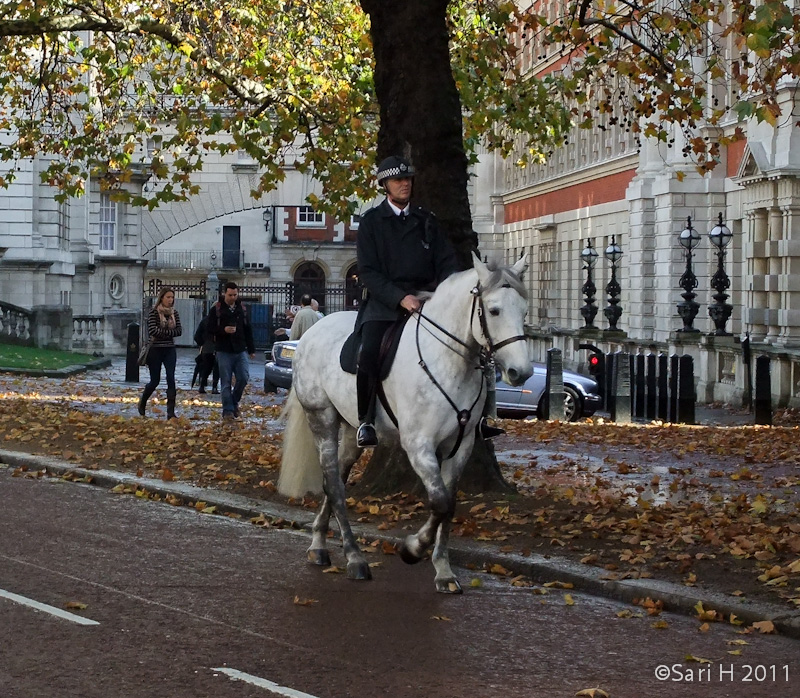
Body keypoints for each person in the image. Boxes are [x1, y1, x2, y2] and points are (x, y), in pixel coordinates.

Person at [354, 155, 458, 447]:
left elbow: (447, 262)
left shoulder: (427, 221)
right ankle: (366, 420)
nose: (405, 184)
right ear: (385, 184)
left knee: (469, 349)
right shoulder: (371, 223)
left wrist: (445, 292)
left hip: (428, 301)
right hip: (385, 304)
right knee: (369, 352)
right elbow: (368, 272)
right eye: (398, 180)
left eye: (408, 179)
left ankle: (476, 418)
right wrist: (401, 298)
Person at [206, 281, 255, 420]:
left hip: (240, 349)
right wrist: (223, 330)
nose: (233, 297)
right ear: (224, 293)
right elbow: (209, 330)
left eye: (235, 295)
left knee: (243, 378)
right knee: (225, 382)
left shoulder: (242, 309)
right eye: (230, 295)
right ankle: (227, 410)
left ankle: (234, 402)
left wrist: (251, 349)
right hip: (224, 350)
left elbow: (248, 329)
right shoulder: (217, 309)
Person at [138, 286, 182, 419]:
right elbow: (153, 330)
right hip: (155, 350)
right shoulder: (153, 313)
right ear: (161, 298)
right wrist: (168, 333)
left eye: (172, 297)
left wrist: (164, 332)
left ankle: (170, 412)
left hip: (169, 349)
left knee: (170, 378)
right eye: (168, 297)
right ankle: (143, 401)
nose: (170, 300)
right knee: (155, 380)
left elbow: (179, 331)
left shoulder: (174, 313)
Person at [193, 315, 219, 394]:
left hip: (207, 346)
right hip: (218, 346)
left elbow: (197, 336)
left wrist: (202, 344)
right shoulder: (223, 320)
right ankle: (214, 387)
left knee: (206, 367)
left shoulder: (205, 320)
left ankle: (202, 386)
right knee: (217, 367)